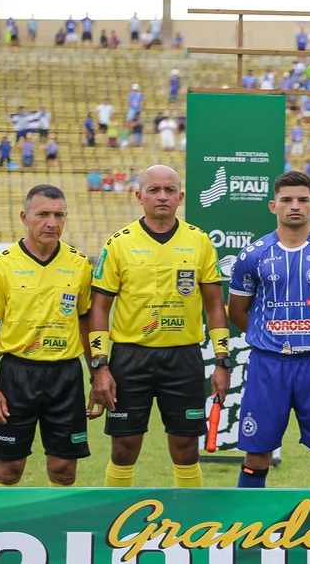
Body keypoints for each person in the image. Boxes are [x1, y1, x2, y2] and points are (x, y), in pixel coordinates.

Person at [88, 165, 231, 488]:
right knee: (125, 446)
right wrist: (100, 365)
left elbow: (213, 306)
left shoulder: (199, 241)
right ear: (139, 196)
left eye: (169, 190)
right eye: (154, 190)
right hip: (129, 358)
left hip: (184, 358)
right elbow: (100, 307)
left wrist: (222, 360)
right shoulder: (119, 243)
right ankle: (117, 520)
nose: (162, 196)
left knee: (185, 448)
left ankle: (190, 524)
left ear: (181, 197)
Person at [228, 171, 310, 488]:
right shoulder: (252, 255)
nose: (295, 206)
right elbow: (237, 312)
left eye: (302, 199)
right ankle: (247, 533)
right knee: (256, 455)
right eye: (287, 200)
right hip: (268, 365)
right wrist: (272, 338)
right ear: (273, 206)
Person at [0, 185, 94, 487]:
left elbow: (87, 323)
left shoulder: (80, 264)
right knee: (9, 468)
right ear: (24, 217)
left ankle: (60, 530)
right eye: (43, 214)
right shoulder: (2, 265)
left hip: (66, 375)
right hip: (17, 374)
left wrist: (97, 373)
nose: (51, 223)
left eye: (59, 215)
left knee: (64, 468)